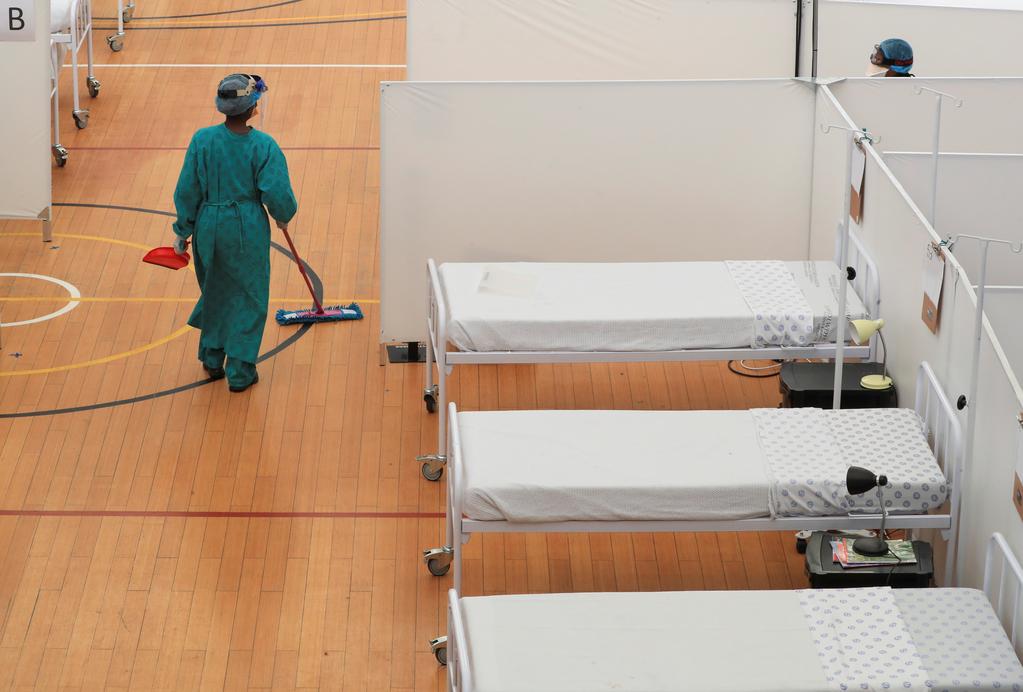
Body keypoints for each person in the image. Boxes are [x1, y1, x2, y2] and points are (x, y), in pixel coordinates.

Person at [171, 74, 297, 392]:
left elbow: (187, 189)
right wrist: (283, 215)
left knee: (214, 291)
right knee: (249, 297)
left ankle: (212, 358)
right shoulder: (263, 145)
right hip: (246, 229)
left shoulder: (202, 140)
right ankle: (240, 371)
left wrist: (182, 230)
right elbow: (277, 191)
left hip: (207, 226)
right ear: (253, 107)